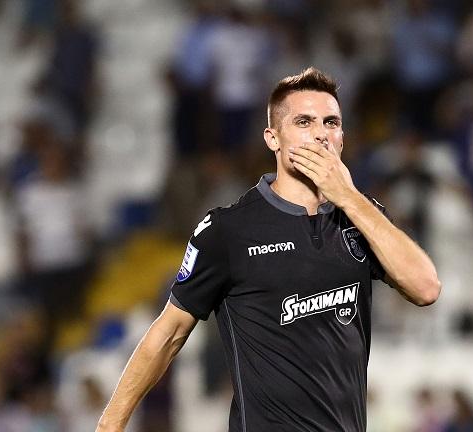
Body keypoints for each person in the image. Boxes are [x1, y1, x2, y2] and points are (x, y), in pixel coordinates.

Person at [96, 67, 441, 431]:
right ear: (273, 138)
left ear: (342, 138)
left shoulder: (362, 217)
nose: (320, 134)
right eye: (304, 122)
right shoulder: (228, 230)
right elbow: (168, 333)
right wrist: (109, 425)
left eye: (331, 122)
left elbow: (426, 288)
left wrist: (350, 198)